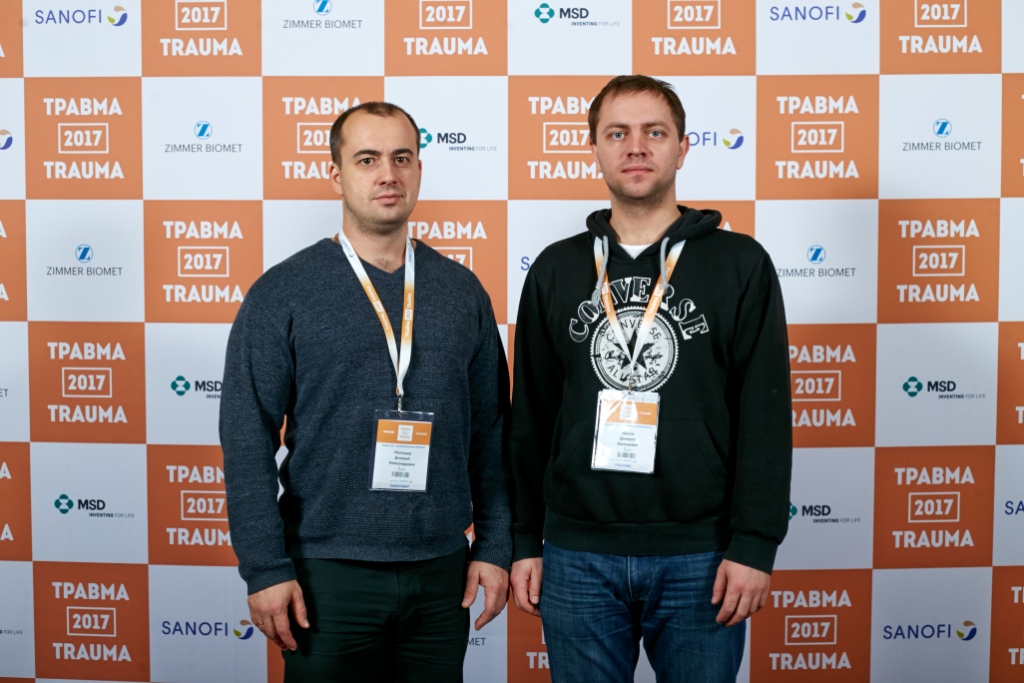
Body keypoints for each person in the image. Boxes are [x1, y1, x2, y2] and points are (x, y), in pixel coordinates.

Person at [508, 75, 792, 682]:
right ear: (594, 149)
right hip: (577, 554)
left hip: (702, 554)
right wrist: (524, 540)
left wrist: (754, 544)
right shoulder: (556, 268)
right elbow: (531, 417)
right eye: (618, 133)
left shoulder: (740, 264)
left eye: (654, 132)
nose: (636, 147)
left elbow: (764, 417)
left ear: (682, 148)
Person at [221, 101, 511, 682]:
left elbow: (493, 433)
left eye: (402, 158)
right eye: (367, 159)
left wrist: (495, 545)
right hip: (324, 575)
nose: (388, 174)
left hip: (441, 573)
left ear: (419, 170)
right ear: (336, 175)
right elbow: (246, 436)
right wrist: (265, 568)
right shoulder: (283, 292)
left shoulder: (462, 292)